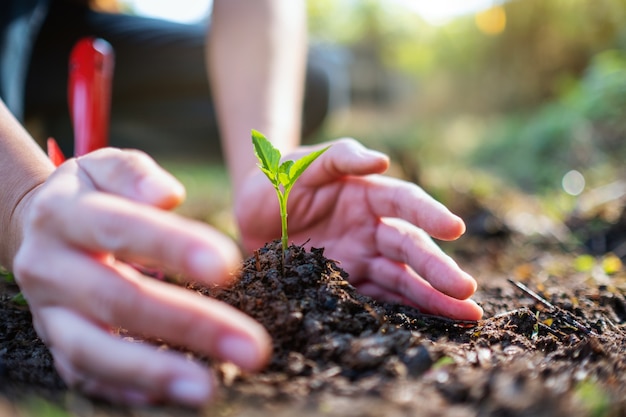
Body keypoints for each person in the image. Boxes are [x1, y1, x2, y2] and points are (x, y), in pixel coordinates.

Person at [0, 0, 483, 408]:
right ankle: (38, 147)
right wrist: (22, 197)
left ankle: (51, 132)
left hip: (56, 25)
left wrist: (264, 178)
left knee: (313, 82)